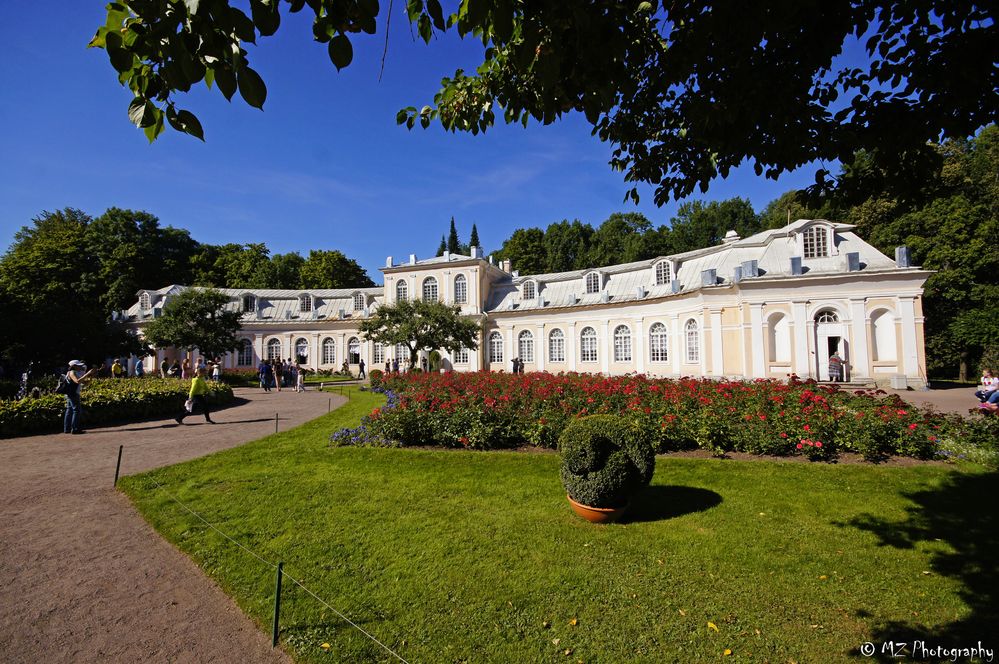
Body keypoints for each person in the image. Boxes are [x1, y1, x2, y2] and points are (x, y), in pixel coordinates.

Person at [63, 360, 95, 434]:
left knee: (70, 410)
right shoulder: (72, 372)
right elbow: (77, 381)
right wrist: (87, 373)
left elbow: (85, 383)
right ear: (74, 366)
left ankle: (67, 429)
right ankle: (75, 429)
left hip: (71, 393)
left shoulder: (74, 373)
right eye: (78, 365)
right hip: (73, 394)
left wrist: (91, 376)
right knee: (76, 411)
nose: (80, 366)